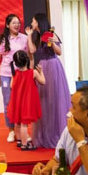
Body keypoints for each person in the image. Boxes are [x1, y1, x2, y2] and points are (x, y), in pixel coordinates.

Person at [26, 12, 71, 148]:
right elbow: (32, 50)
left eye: (33, 21)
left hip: (53, 67)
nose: (32, 23)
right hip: (43, 67)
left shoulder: (51, 34)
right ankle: (45, 134)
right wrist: (29, 35)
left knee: (54, 100)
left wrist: (53, 44)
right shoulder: (38, 36)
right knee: (44, 101)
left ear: (39, 22)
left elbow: (59, 52)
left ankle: (57, 134)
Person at [0, 14, 29, 144]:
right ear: (7, 25)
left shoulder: (24, 38)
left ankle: (22, 130)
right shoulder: (3, 39)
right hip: (6, 75)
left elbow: (29, 56)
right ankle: (11, 130)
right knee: (8, 103)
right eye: (13, 22)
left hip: (21, 75)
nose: (17, 25)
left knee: (21, 103)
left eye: (18, 22)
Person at [6, 50, 45, 151]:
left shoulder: (15, 73)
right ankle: (24, 144)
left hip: (17, 101)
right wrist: (41, 72)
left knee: (17, 122)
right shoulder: (33, 73)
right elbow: (43, 81)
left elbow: (11, 86)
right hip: (27, 102)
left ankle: (19, 140)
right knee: (24, 124)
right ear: (27, 60)